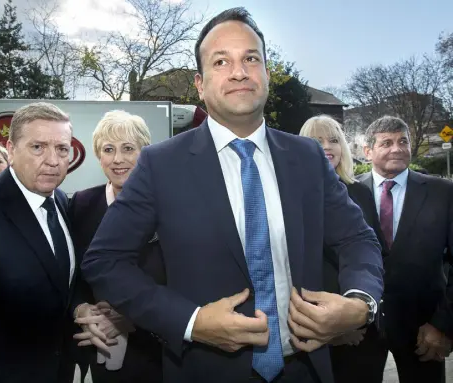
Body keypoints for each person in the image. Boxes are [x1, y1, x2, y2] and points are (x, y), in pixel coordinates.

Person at [81, 8, 384, 383]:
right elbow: (105, 261)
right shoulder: (161, 165)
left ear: (267, 75)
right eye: (221, 61)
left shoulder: (306, 157)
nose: (239, 71)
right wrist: (190, 321)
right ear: (200, 83)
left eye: (251, 59)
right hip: (204, 370)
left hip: (305, 369)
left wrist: (361, 303)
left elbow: (357, 237)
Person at [0, 102, 104, 383]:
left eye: (62, 149)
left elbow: (60, 280)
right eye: (38, 147)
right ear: (10, 150)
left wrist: (78, 307)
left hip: (61, 369)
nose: (53, 160)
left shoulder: (62, 201)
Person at [70, 110, 165, 383]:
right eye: (108, 149)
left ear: (144, 153)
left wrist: (134, 317)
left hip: (157, 353)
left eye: (128, 148)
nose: (118, 159)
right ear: (99, 156)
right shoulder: (82, 204)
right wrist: (80, 309)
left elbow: (182, 278)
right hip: (98, 347)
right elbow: (72, 273)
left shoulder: (168, 206)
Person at [357, 115, 453, 383]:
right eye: (386, 143)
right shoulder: (347, 192)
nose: (397, 148)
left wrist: (444, 325)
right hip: (359, 330)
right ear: (367, 152)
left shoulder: (443, 193)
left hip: (425, 329)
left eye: (403, 141)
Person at [300, 115, 386, 382]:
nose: (327, 147)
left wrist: (355, 315)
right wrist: (332, 328)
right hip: (310, 328)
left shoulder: (360, 193)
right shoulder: (293, 197)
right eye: (317, 140)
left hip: (362, 332)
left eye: (334, 140)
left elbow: (373, 253)